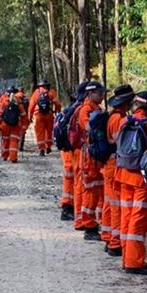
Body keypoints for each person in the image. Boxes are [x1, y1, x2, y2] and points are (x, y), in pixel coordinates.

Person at [117, 91, 147, 275]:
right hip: (141, 178)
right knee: (138, 218)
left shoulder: (124, 121)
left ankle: (127, 257)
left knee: (126, 217)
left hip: (123, 174)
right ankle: (134, 262)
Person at [101, 84, 135, 257]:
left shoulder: (112, 117)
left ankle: (108, 236)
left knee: (109, 203)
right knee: (116, 206)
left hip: (109, 165)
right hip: (114, 166)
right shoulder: (119, 120)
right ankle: (115, 243)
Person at [78, 81, 107, 241]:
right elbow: (89, 128)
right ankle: (89, 226)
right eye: (99, 93)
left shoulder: (96, 109)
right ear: (90, 94)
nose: (102, 96)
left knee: (98, 189)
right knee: (90, 190)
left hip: (96, 155)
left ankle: (97, 222)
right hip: (89, 156)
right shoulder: (86, 110)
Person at [59, 92, 80, 222]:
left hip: (66, 151)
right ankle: (67, 208)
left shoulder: (66, 112)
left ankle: (68, 207)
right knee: (72, 179)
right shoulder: (75, 113)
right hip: (71, 152)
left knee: (69, 179)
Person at [28, 79, 61, 156]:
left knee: (39, 132)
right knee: (49, 131)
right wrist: (56, 111)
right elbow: (58, 104)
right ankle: (48, 146)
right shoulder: (51, 92)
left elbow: (31, 106)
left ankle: (41, 149)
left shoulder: (37, 92)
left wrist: (29, 116)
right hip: (49, 115)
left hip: (38, 115)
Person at [0, 86, 28, 163]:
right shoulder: (19, 103)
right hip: (16, 125)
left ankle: (4, 156)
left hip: (5, 124)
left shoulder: (3, 102)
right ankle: (13, 158)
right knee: (14, 141)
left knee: (5, 140)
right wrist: (24, 127)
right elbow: (24, 115)